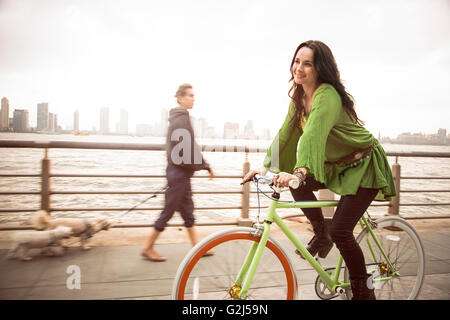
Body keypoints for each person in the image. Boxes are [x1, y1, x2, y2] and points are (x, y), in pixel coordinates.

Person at [242, 40, 396, 299]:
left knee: (342, 231)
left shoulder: (327, 96)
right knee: (312, 205)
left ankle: (363, 290)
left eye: (307, 63)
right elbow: (286, 134)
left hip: (364, 164)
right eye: (296, 61)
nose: (298, 68)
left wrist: (299, 172)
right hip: (337, 165)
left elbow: (313, 135)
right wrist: (266, 168)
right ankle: (321, 233)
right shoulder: (299, 97)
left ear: (319, 68)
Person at [141, 83, 214, 262]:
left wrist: (202, 165)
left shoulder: (180, 117)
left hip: (180, 173)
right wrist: (205, 166)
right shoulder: (181, 118)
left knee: (188, 211)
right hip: (178, 174)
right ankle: (147, 248)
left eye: (193, 95)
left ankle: (197, 248)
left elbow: (186, 147)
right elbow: (187, 148)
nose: (193, 98)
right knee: (168, 211)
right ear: (180, 98)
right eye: (189, 95)